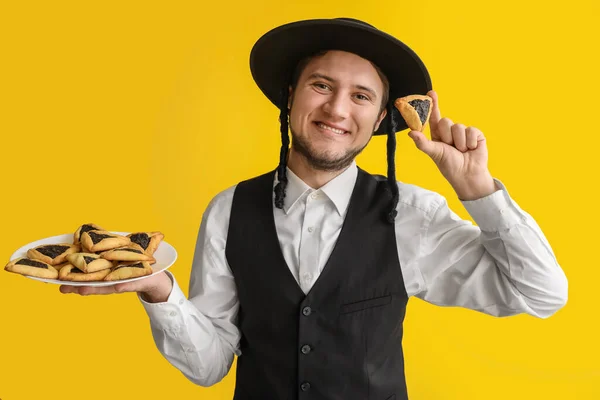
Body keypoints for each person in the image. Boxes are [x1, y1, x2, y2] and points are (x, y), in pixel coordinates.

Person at [60, 18, 568, 400]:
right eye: (321, 85)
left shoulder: (411, 213)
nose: (337, 109)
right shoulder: (229, 210)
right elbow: (210, 365)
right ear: (290, 97)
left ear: (379, 121)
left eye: (361, 96)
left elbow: (542, 294)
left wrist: (478, 191)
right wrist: (160, 291)